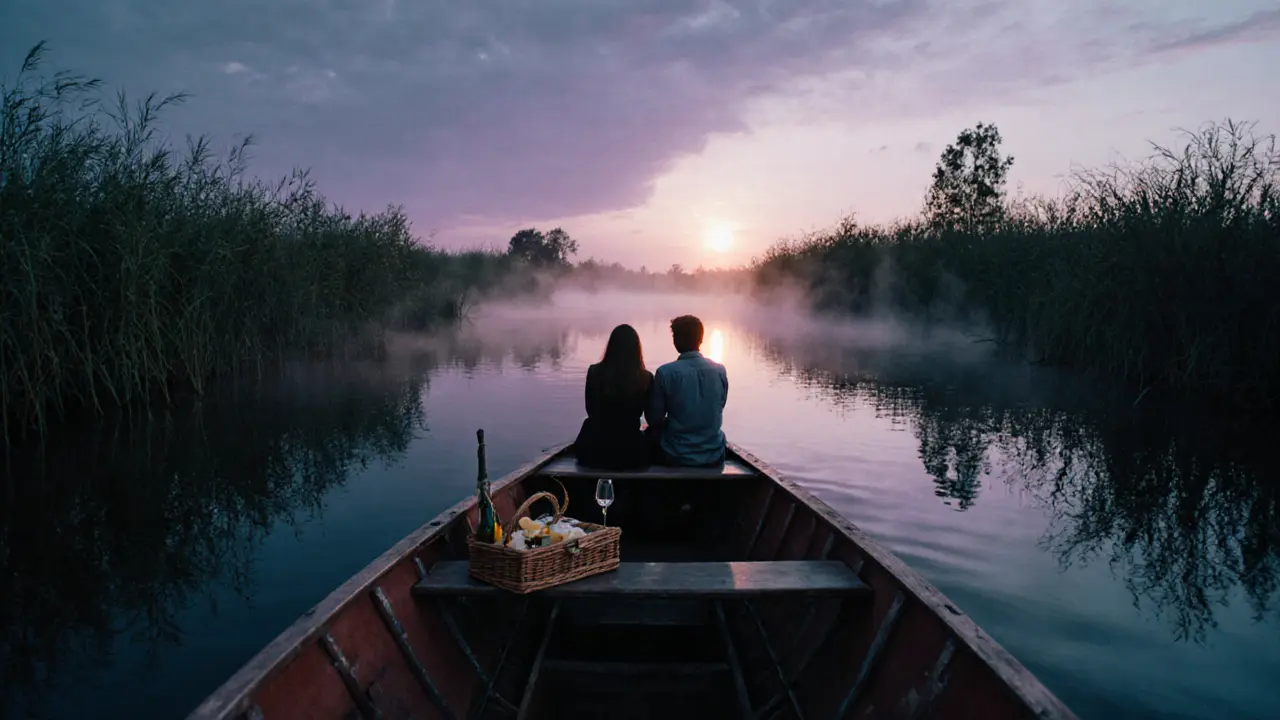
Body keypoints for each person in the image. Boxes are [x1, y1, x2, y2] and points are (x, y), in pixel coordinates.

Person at [647, 315, 728, 467]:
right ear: (701, 340)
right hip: (714, 453)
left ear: (676, 340)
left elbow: (654, 419)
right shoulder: (720, 371)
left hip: (676, 454)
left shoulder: (665, 373)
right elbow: (720, 406)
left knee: (650, 436)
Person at [572, 324, 654, 470]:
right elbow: (651, 416)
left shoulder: (594, 372)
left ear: (611, 346)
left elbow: (590, 410)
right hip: (631, 452)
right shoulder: (646, 378)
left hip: (594, 450)